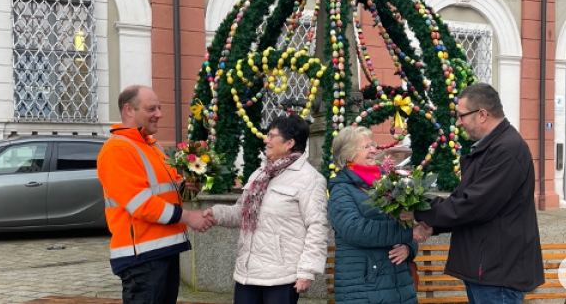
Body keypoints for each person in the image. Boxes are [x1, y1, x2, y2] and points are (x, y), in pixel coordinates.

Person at [406, 83, 544, 304]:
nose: (458, 122)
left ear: (482, 114)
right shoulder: (491, 147)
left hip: (497, 272)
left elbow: (473, 205)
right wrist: (434, 224)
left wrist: (418, 210)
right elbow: (464, 200)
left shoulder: (506, 150)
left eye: (461, 115)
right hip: (488, 268)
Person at [97, 85, 216, 304]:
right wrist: (190, 217)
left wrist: (190, 186)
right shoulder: (117, 149)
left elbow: (168, 192)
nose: (159, 114)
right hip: (142, 259)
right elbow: (140, 203)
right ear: (128, 110)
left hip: (161, 252)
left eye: (159, 108)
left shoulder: (152, 146)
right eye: (152, 109)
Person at [210, 114, 329, 304]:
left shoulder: (310, 179)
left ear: (289, 143)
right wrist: (214, 214)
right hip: (247, 272)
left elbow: (317, 227)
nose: (266, 140)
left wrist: (307, 271)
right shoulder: (261, 173)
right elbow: (242, 213)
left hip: (281, 276)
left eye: (272, 136)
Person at [328, 126, 419, 304]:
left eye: (373, 145)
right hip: (364, 287)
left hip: (400, 284)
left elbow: (407, 220)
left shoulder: (389, 182)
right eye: (366, 147)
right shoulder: (341, 190)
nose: (373, 150)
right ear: (348, 155)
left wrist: (409, 248)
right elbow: (356, 230)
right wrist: (409, 232)